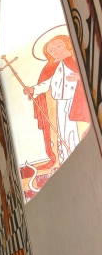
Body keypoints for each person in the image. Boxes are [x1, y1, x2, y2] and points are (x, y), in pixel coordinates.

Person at [23, 35, 91, 166]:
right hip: (60, 103)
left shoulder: (78, 60)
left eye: (59, 46)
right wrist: (33, 89)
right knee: (62, 132)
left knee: (73, 130)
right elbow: (46, 84)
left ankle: (80, 156)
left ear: (67, 44)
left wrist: (81, 77)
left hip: (76, 102)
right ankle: (66, 159)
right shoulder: (52, 68)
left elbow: (92, 75)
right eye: (52, 50)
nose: (57, 51)